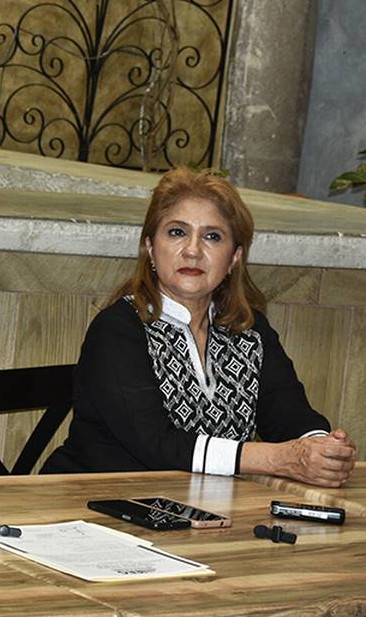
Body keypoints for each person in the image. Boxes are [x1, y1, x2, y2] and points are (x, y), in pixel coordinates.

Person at [43, 167, 357, 487]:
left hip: (200, 506)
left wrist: (322, 448)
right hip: (93, 502)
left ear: (234, 257)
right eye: (177, 232)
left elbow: (288, 412)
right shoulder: (117, 329)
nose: (193, 250)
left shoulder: (249, 329)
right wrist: (277, 459)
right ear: (150, 247)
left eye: (212, 236)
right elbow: (157, 444)